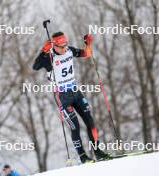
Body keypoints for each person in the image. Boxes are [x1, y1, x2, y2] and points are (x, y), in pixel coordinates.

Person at [32, 32, 111, 163]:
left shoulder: (69, 51)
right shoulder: (49, 57)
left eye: (65, 45)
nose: (63, 49)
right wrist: (43, 50)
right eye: (60, 47)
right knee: (75, 127)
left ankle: (98, 152)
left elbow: (86, 53)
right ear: (54, 45)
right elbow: (35, 67)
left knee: (90, 122)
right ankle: (83, 156)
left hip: (75, 91)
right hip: (62, 97)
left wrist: (88, 43)